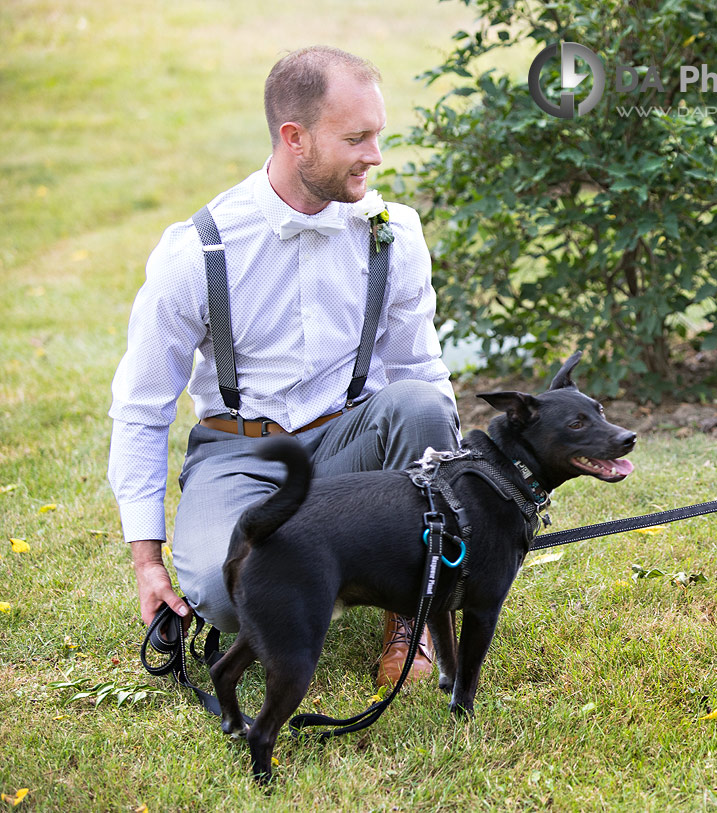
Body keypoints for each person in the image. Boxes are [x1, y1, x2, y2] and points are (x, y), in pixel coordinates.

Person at [107, 45, 459, 687]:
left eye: (378, 134)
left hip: (351, 441)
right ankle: (315, 564)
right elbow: (142, 406)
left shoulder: (393, 233)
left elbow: (423, 373)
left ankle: (413, 609)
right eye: (356, 138)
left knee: (420, 405)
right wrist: (147, 561)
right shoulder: (198, 251)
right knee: (220, 591)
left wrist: (460, 509)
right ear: (295, 139)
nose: (375, 156)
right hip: (241, 456)